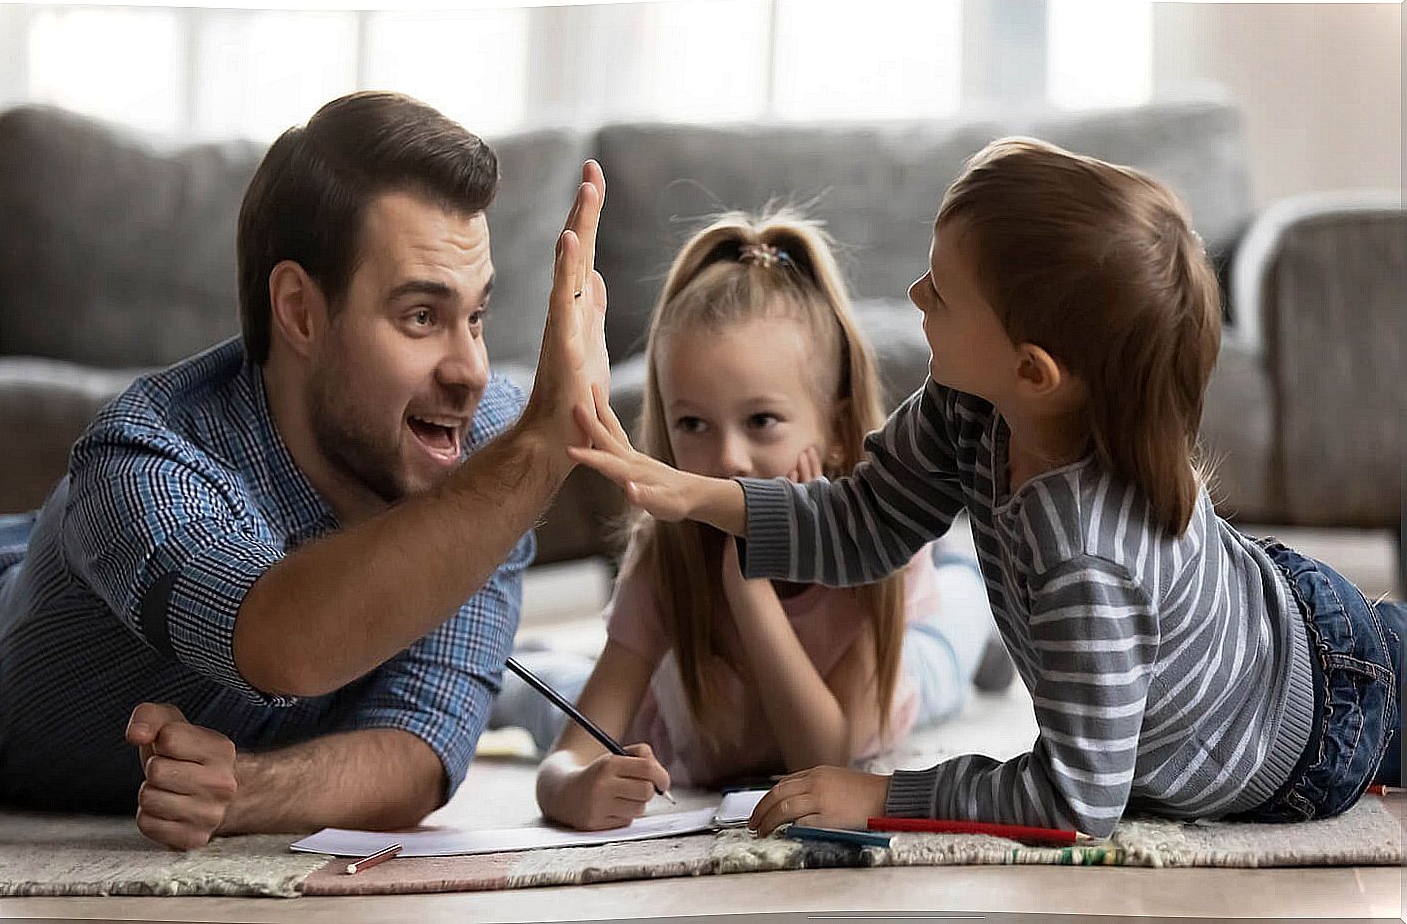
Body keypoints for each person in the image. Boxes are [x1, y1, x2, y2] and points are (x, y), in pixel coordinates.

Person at [567, 138, 1403, 838]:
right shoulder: (971, 407)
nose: (914, 295)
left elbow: (1077, 803)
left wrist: (884, 796)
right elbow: (861, 521)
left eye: (942, 290)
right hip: (1285, 610)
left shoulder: (1086, 557)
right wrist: (694, 496)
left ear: (1032, 369)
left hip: (1323, 722)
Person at [0, 90, 615, 850]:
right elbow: (285, 642)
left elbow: (424, 742)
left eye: (476, 316)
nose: (472, 370)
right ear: (299, 311)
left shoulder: (485, 452)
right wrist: (543, 448)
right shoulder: (139, 464)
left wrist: (247, 789)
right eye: (422, 316)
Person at [510, 211, 998, 832]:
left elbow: (824, 758)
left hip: (895, 680)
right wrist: (573, 789)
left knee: (951, 638)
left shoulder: (875, 553)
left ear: (837, 427)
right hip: (690, 728)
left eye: (761, 421)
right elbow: (564, 763)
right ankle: (515, 669)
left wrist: (749, 581)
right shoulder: (668, 558)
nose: (729, 459)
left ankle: (963, 575)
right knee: (549, 694)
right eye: (693, 425)